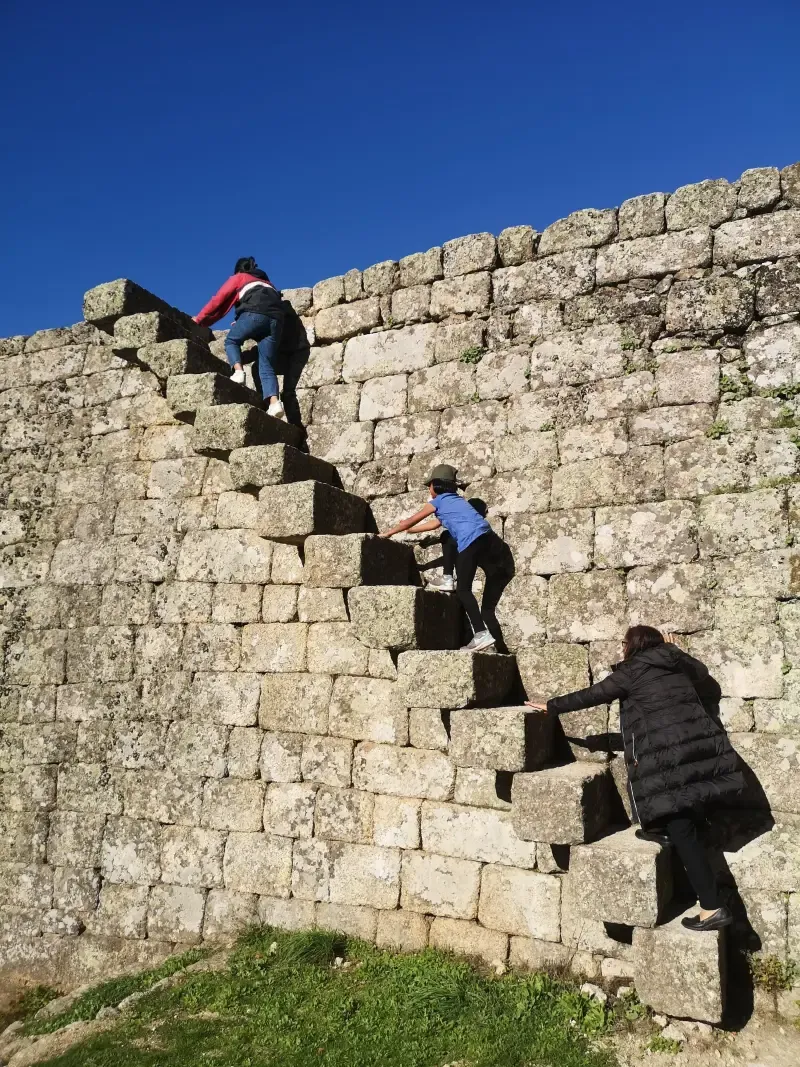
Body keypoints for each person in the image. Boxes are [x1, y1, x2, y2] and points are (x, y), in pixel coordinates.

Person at [525, 626, 744, 933]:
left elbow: (593, 694)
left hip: (670, 757)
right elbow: (702, 672)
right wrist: (677, 650)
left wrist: (551, 706)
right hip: (696, 752)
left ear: (634, 645)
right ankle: (658, 829)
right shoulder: (676, 662)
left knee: (684, 829)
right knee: (680, 813)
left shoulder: (634, 671)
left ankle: (712, 907)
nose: (621, 648)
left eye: (624, 643)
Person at [380, 464, 512, 652]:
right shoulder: (457, 503)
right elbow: (434, 524)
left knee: (464, 591)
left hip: (471, 540)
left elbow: (413, 519)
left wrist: (389, 533)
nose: (429, 489)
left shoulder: (439, 501)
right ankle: (448, 578)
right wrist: (410, 531)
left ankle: (482, 634)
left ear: (436, 485)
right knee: (447, 536)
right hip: (487, 540)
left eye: (430, 485)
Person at [194, 257, 286, 419]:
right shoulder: (268, 284)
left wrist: (199, 319)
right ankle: (274, 403)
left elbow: (218, 300)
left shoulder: (239, 277)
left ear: (238, 270)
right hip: (277, 322)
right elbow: (264, 303)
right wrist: (242, 319)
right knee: (266, 365)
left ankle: (238, 372)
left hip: (255, 314)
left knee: (231, 341)